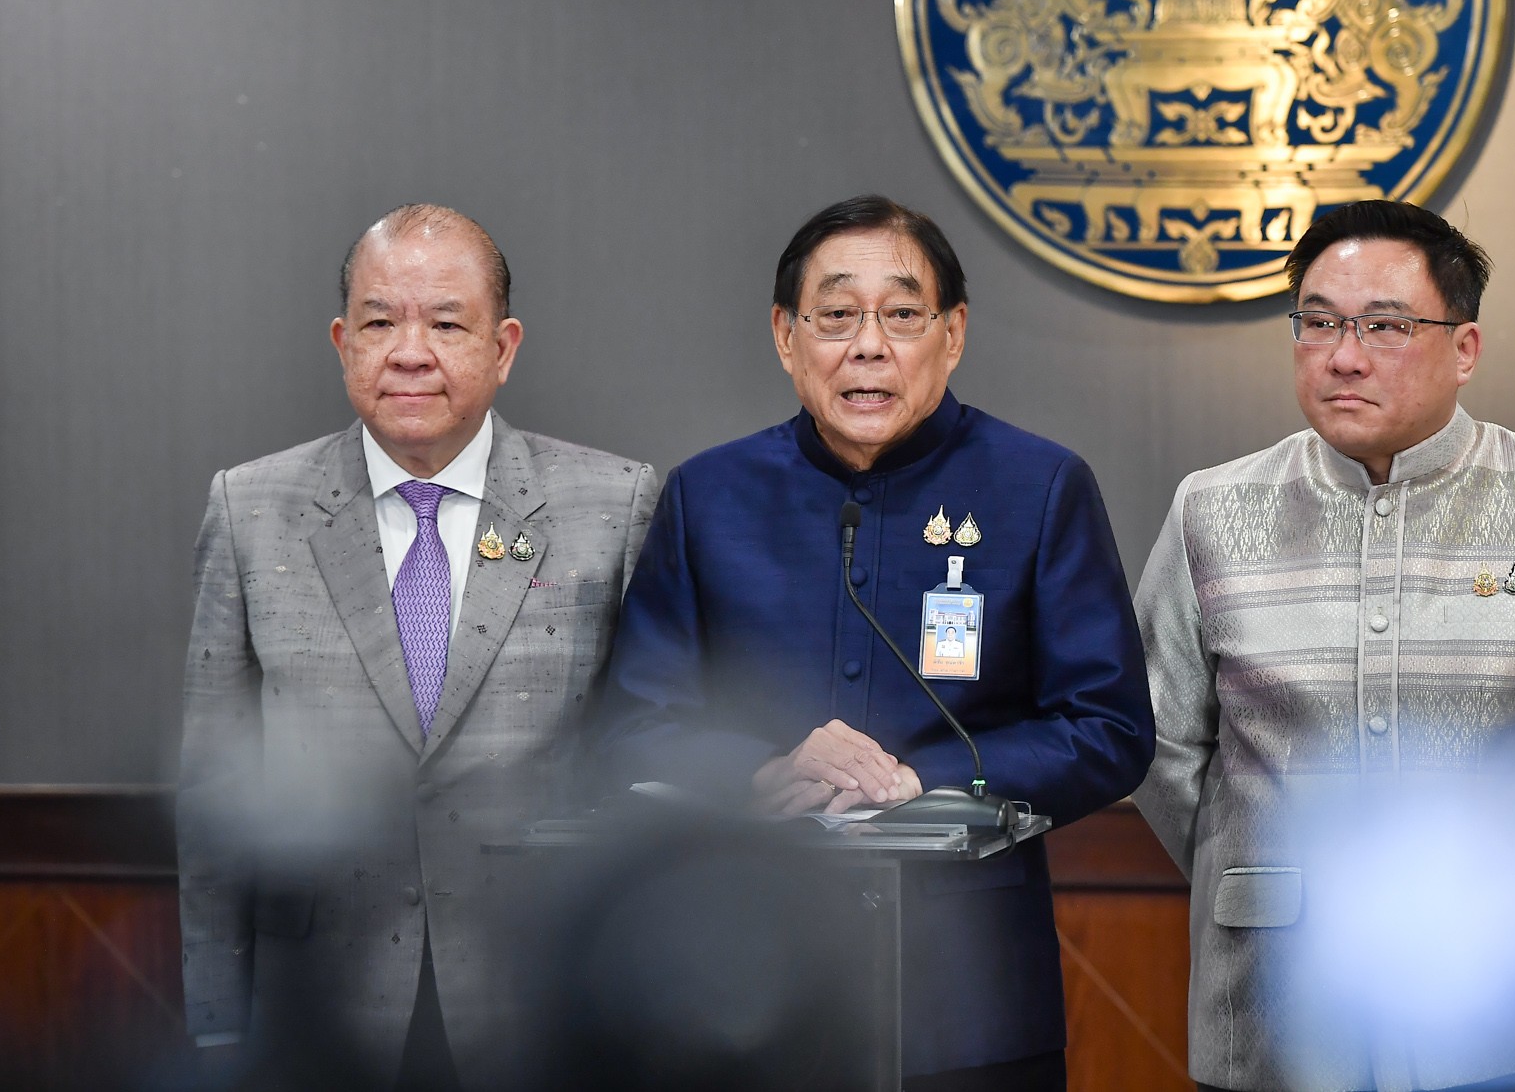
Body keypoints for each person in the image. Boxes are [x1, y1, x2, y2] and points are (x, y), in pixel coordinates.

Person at [597, 194, 1153, 1091]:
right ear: (786, 336)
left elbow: (1109, 728)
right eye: (835, 315)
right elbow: (632, 726)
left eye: (901, 314)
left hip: (969, 1000)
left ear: (954, 332)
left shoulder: (1041, 486)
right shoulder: (710, 496)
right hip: (742, 991)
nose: (868, 345)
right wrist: (756, 768)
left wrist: (921, 779)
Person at [1133, 200, 1515, 1092]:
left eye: (1386, 326)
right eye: (1317, 323)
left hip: (1514, 1017)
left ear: (1464, 348)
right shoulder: (1212, 509)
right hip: (1276, 1002)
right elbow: (1159, 742)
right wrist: (1255, 860)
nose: (1344, 355)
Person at [177, 204, 656, 1089]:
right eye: (379, 321)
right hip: (319, 1001)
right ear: (341, 340)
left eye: (446, 322)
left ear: (504, 346)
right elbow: (215, 784)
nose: (409, 350)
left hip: (544, 998)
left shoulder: (611, 504)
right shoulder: (252, 507)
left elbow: (640, 757)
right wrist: (215, 1022)